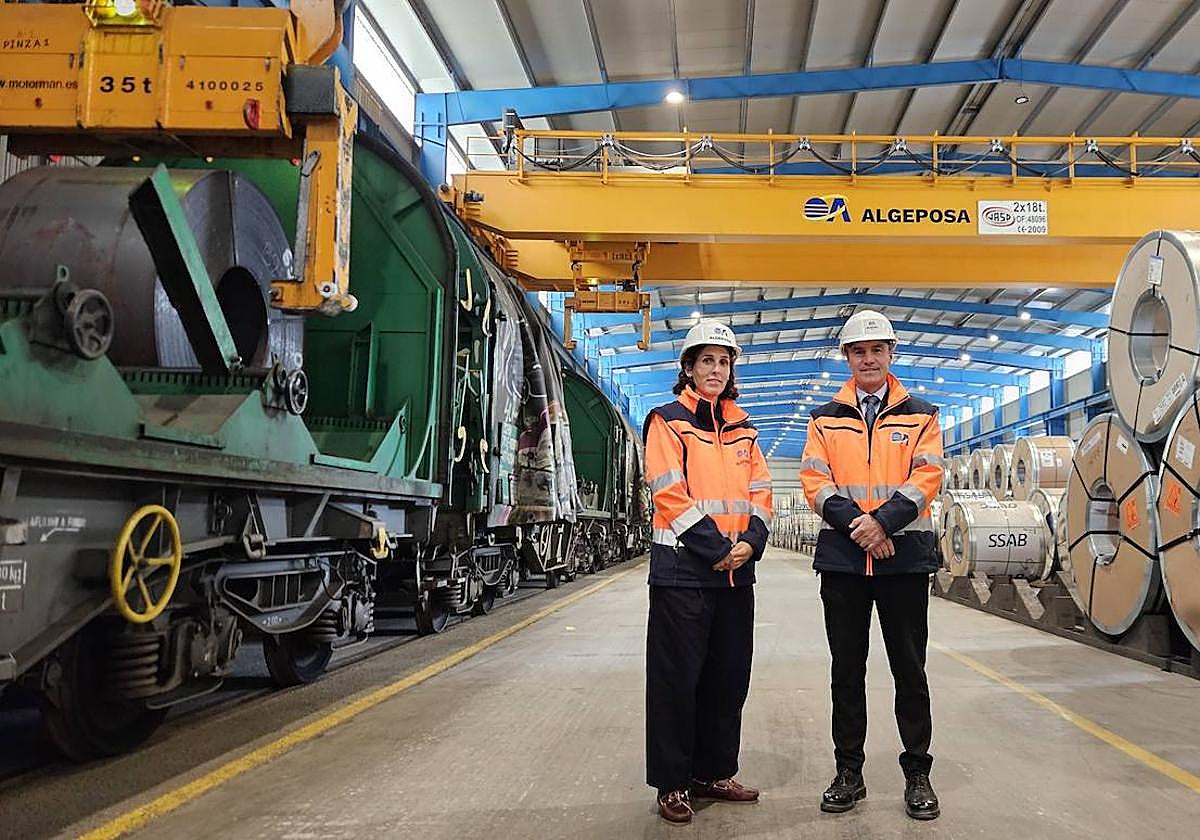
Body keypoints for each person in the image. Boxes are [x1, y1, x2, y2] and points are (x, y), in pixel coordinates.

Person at [799, 309, 944, 821]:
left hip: (902, 562)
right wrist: (860, 528)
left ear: (891, 353)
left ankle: (918, 774)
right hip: (844, 562)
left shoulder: (921, 414)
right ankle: (849, 773)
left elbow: (927, 477)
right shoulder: (824, 418)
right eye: (859, 351)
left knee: (910, 669)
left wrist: (881, 523)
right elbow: (815, 482)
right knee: (847, 671)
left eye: (877, 350)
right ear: (847, 358)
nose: (868, 359)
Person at [642, 319, 773, 825]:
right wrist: (718, 547)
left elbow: (762, 493)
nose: (716, 369)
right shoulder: (667, 422)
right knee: (677, 681)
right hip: (683, 573)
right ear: (690, 368)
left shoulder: (746, 430)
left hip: (737, 576)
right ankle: (673, 783)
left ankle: (714, 772)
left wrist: (751, 544)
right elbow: (669, 493)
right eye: (707, 361)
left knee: (727, 678)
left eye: (724, 361)